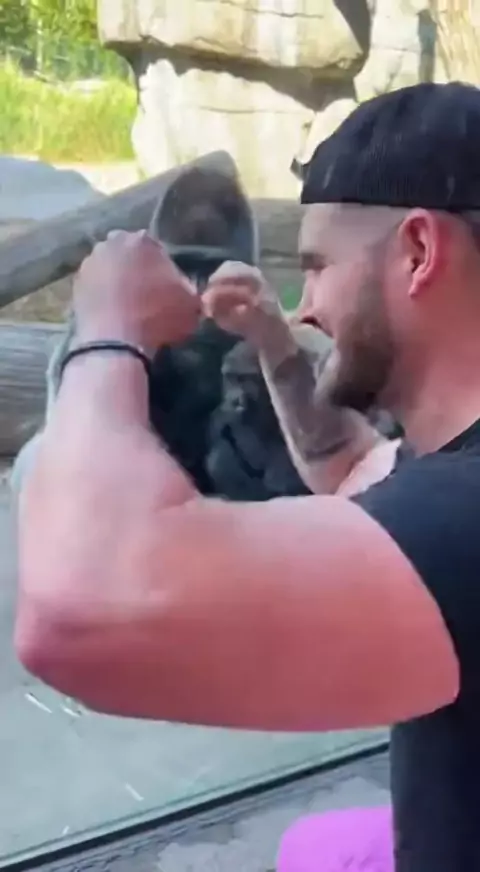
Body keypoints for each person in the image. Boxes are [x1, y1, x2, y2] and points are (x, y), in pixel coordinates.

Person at [14, 82, 480, 872]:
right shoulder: (449, 472)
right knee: (313, 847)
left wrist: (109, 329)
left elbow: (76, 611)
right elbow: (355, 470)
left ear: (418, 252)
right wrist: (270, 341)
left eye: (318, 267)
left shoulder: (462, 520)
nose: (306, 306)